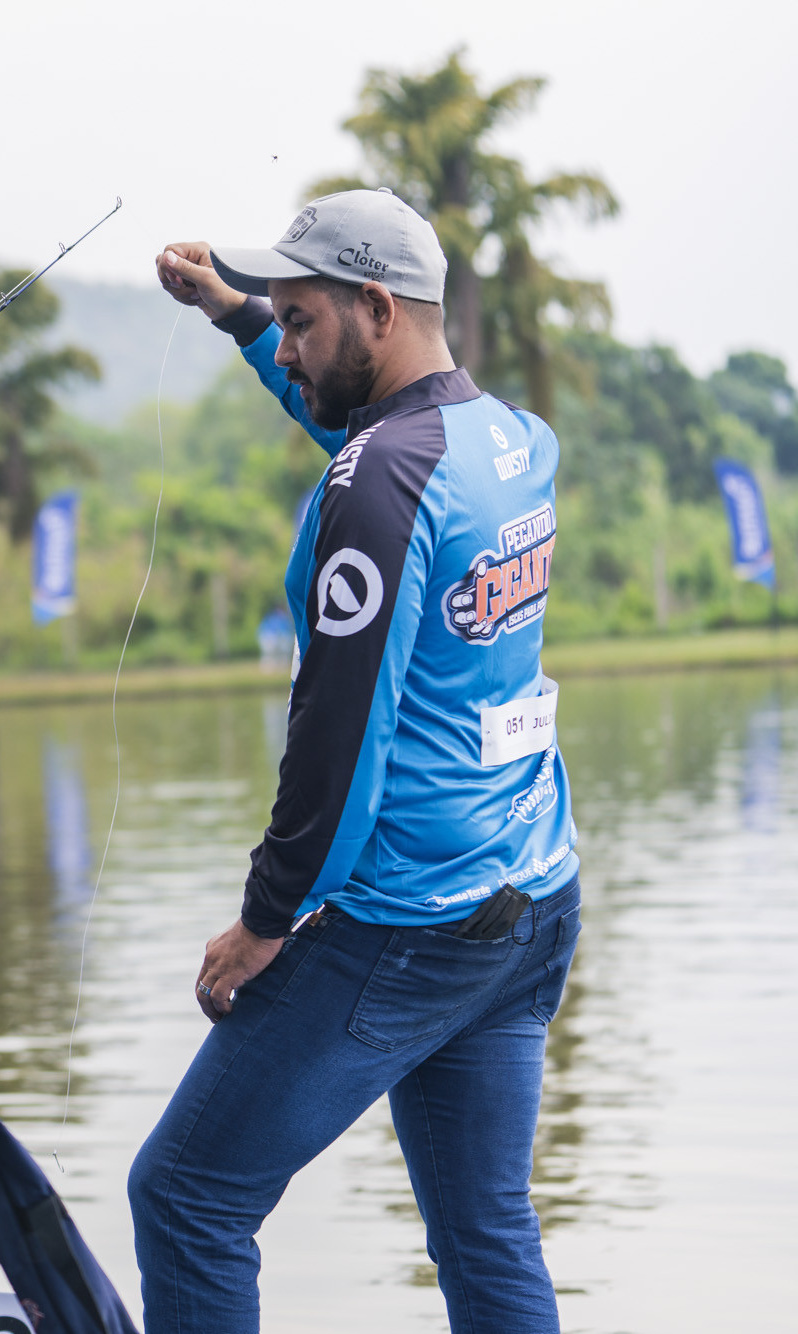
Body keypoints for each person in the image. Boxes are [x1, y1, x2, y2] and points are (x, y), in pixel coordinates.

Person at [128, 189, 582, 1333]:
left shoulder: (376, 484)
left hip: (402, 919)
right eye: (276, 322)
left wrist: (265, 917)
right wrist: (234, 314)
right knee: (486, 1228)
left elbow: (337, 739)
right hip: (526, 897)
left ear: (375, 306)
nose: (286, 345)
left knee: (184, 1195)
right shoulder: (511, 442)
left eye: (299, 322)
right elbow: (373, 434)